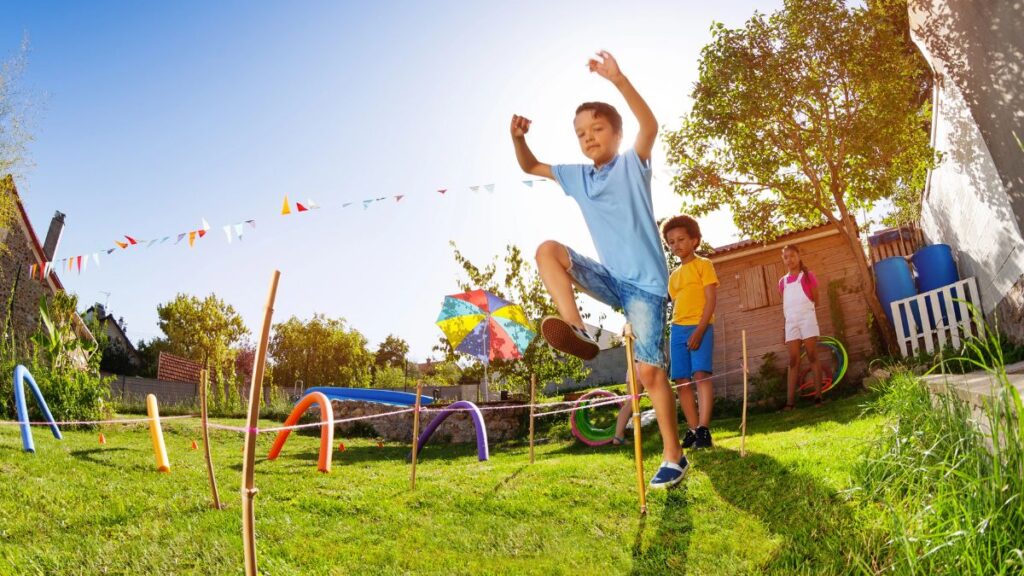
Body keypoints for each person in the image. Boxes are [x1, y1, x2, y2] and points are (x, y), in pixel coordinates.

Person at [510, 51, 687, 489]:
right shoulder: (579, 177)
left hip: (645, 287)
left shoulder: (633, 163)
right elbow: (530, 166)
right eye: (581, 134)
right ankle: (579, 329)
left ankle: (674, 456)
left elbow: (651, 127)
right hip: (611, 280)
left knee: (649, 374)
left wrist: (619, 81)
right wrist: (517, 138)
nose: (588, 138)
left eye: (597, 129)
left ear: (615, 133)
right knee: (548, 250)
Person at [663, 215, 718, 449]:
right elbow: (672, 302)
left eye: (681, 239)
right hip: (677, 329)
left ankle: (704, 429)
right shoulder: (673, 276)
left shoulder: (704, 265)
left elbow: (710, 300)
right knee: (681, 381)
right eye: (671, 241)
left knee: (700, 375)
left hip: (701, 326)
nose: (677, 245)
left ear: (694, 240)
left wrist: (700, 330)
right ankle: (693, 429)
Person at [778, 244, 824, 409]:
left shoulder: (807, 276)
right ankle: (790, 403)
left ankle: (818, 397)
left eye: (792, 256)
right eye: (786, 257)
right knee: (793, 360)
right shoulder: (782, 282)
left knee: (812, 355)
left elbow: (816, 298)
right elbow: (786, 304)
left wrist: (808, 313)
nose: (789, 259)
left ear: (798, 256)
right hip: (791, 322)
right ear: (784, 260)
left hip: (807, 319)